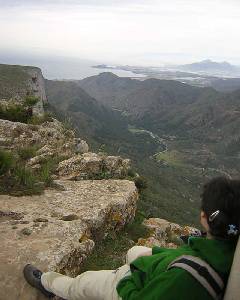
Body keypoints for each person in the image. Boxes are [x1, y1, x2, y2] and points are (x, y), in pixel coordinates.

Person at [23, 176, 240, 300]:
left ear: (204, 216)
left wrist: (125, 279)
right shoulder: (228, 248)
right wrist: (155, 254)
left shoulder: (184, 279)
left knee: (84, 282)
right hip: (162, 268)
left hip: (131, 287)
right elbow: (188, 255)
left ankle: (48, 284)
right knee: (133, 251)